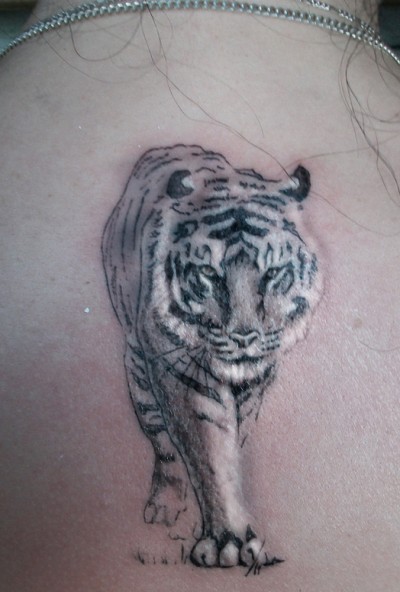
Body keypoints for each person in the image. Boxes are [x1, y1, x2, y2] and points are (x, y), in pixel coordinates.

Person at [1, 0, 399, 589]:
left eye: (272, 280)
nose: (242, 323)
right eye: (211, 282)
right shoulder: (148, 249)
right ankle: (178, 474)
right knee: (158, 372)